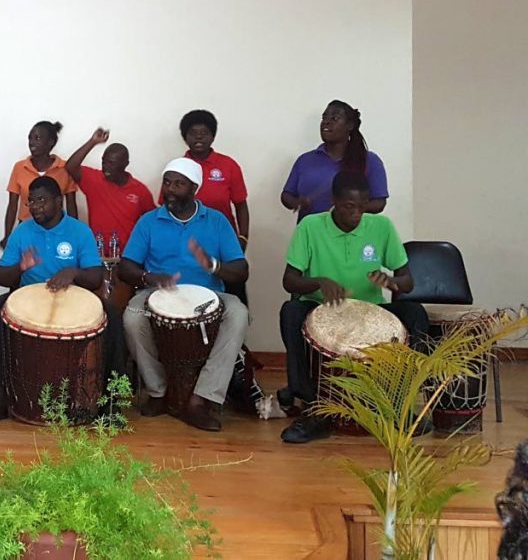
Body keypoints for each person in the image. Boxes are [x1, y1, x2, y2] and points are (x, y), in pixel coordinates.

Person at [278, 171, 428, 444]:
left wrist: (393, 281)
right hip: (320, 308)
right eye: (350, 206)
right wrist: (319, 282)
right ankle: (314, 410)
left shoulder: (381, 227)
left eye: (363, 206)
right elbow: (289, 280)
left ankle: (396, 406)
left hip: (371, 310)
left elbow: (407, 281)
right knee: (290, 312)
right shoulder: (311, 226)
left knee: (415, 313)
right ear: (334, 200)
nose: (357, 213)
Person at [0, 176, 125, 427]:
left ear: (58, 201)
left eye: (41, 201)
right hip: (29, 295)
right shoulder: (22, 231)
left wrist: (74, 272)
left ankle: (111, 401)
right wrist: (21, 266)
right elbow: (2, 277)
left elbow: (96, 277)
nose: (35, 207)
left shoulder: (79, 231)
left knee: (113, 315)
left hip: (74, 297)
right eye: (30, 202)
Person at [118, 158, 249, 432]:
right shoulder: (149, 222)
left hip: (209, 295)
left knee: (238, 312)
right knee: (132, 316)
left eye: (178, 184)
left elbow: (241, 270)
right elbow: (126, 266)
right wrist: (148, 277)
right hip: (157, 294)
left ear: (194, 189)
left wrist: (212, 265)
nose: (170, 189)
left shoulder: (216, 221)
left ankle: (203, 398)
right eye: (167, 182)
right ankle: (158, 392)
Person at [179, 110, 250, 305]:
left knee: (233, 304)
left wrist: (243, 237)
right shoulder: (178, 167)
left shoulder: (228, 165)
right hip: (190, 246)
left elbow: (241, 205)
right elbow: (169, 206)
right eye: (193, 132)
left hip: (224, 244)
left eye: (205, 132)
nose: (199, 137)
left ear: (213, 136)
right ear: (185, 137)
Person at [281, 100, 389, 221]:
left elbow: (379, 203)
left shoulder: (369, 161)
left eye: (335, 118)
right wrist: (296, 202)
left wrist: (347, 208)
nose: (326, 122)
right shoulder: (305, 160)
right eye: (324, 118)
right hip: (311, 233)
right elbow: (286, 195)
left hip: (353, 233)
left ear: (350, 125)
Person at [64, 127, 156, 251]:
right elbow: (71, 166)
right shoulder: (94, 180)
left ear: (125, 164)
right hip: (98, 255)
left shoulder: (140, 191)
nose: (105, 167)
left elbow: (152, 221)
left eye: (111, 163)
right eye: (104, 162)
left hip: (128, 257)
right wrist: (93, 142)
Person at [0, 121, 78, 249]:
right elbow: (12, 205)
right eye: (30, 138)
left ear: (50, 142)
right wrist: (8, 235)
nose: (32, 142)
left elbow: (71, 205)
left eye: (37, 138)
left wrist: (74, 233)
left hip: (57, 231)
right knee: (25, 266)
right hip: (27, 230)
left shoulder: (64, 168)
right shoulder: (20, 167)